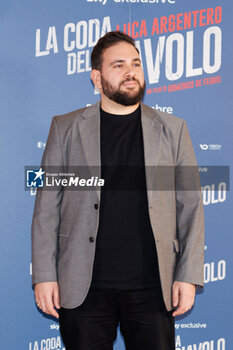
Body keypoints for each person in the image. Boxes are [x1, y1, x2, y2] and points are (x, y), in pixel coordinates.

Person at [32, 31, 204, 350]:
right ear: (97, 78)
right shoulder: (64, 128)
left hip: (153, 287)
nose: (131, 72)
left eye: (136, 63)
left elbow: (191, 206)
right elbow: (45, 208)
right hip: (83, 289)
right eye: (119, 65)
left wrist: (189, 275)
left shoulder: (174, 130)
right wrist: (44, 275)